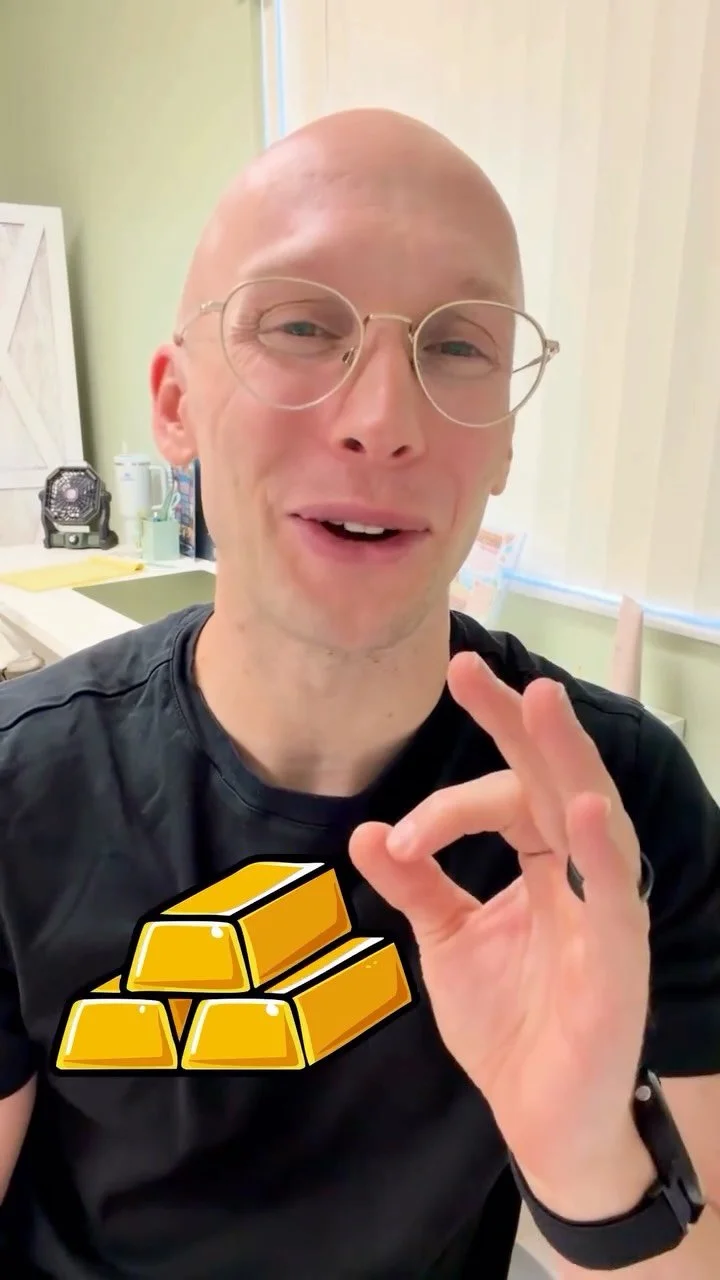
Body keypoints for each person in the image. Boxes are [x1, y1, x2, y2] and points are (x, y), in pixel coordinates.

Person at [0, 108, 718, 1280]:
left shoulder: (613, 807)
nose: (383, 422)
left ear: (505, 439)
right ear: (175, 404)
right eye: (300, 324)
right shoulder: (20, 790)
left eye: (458, 346)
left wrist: (586, 1155)